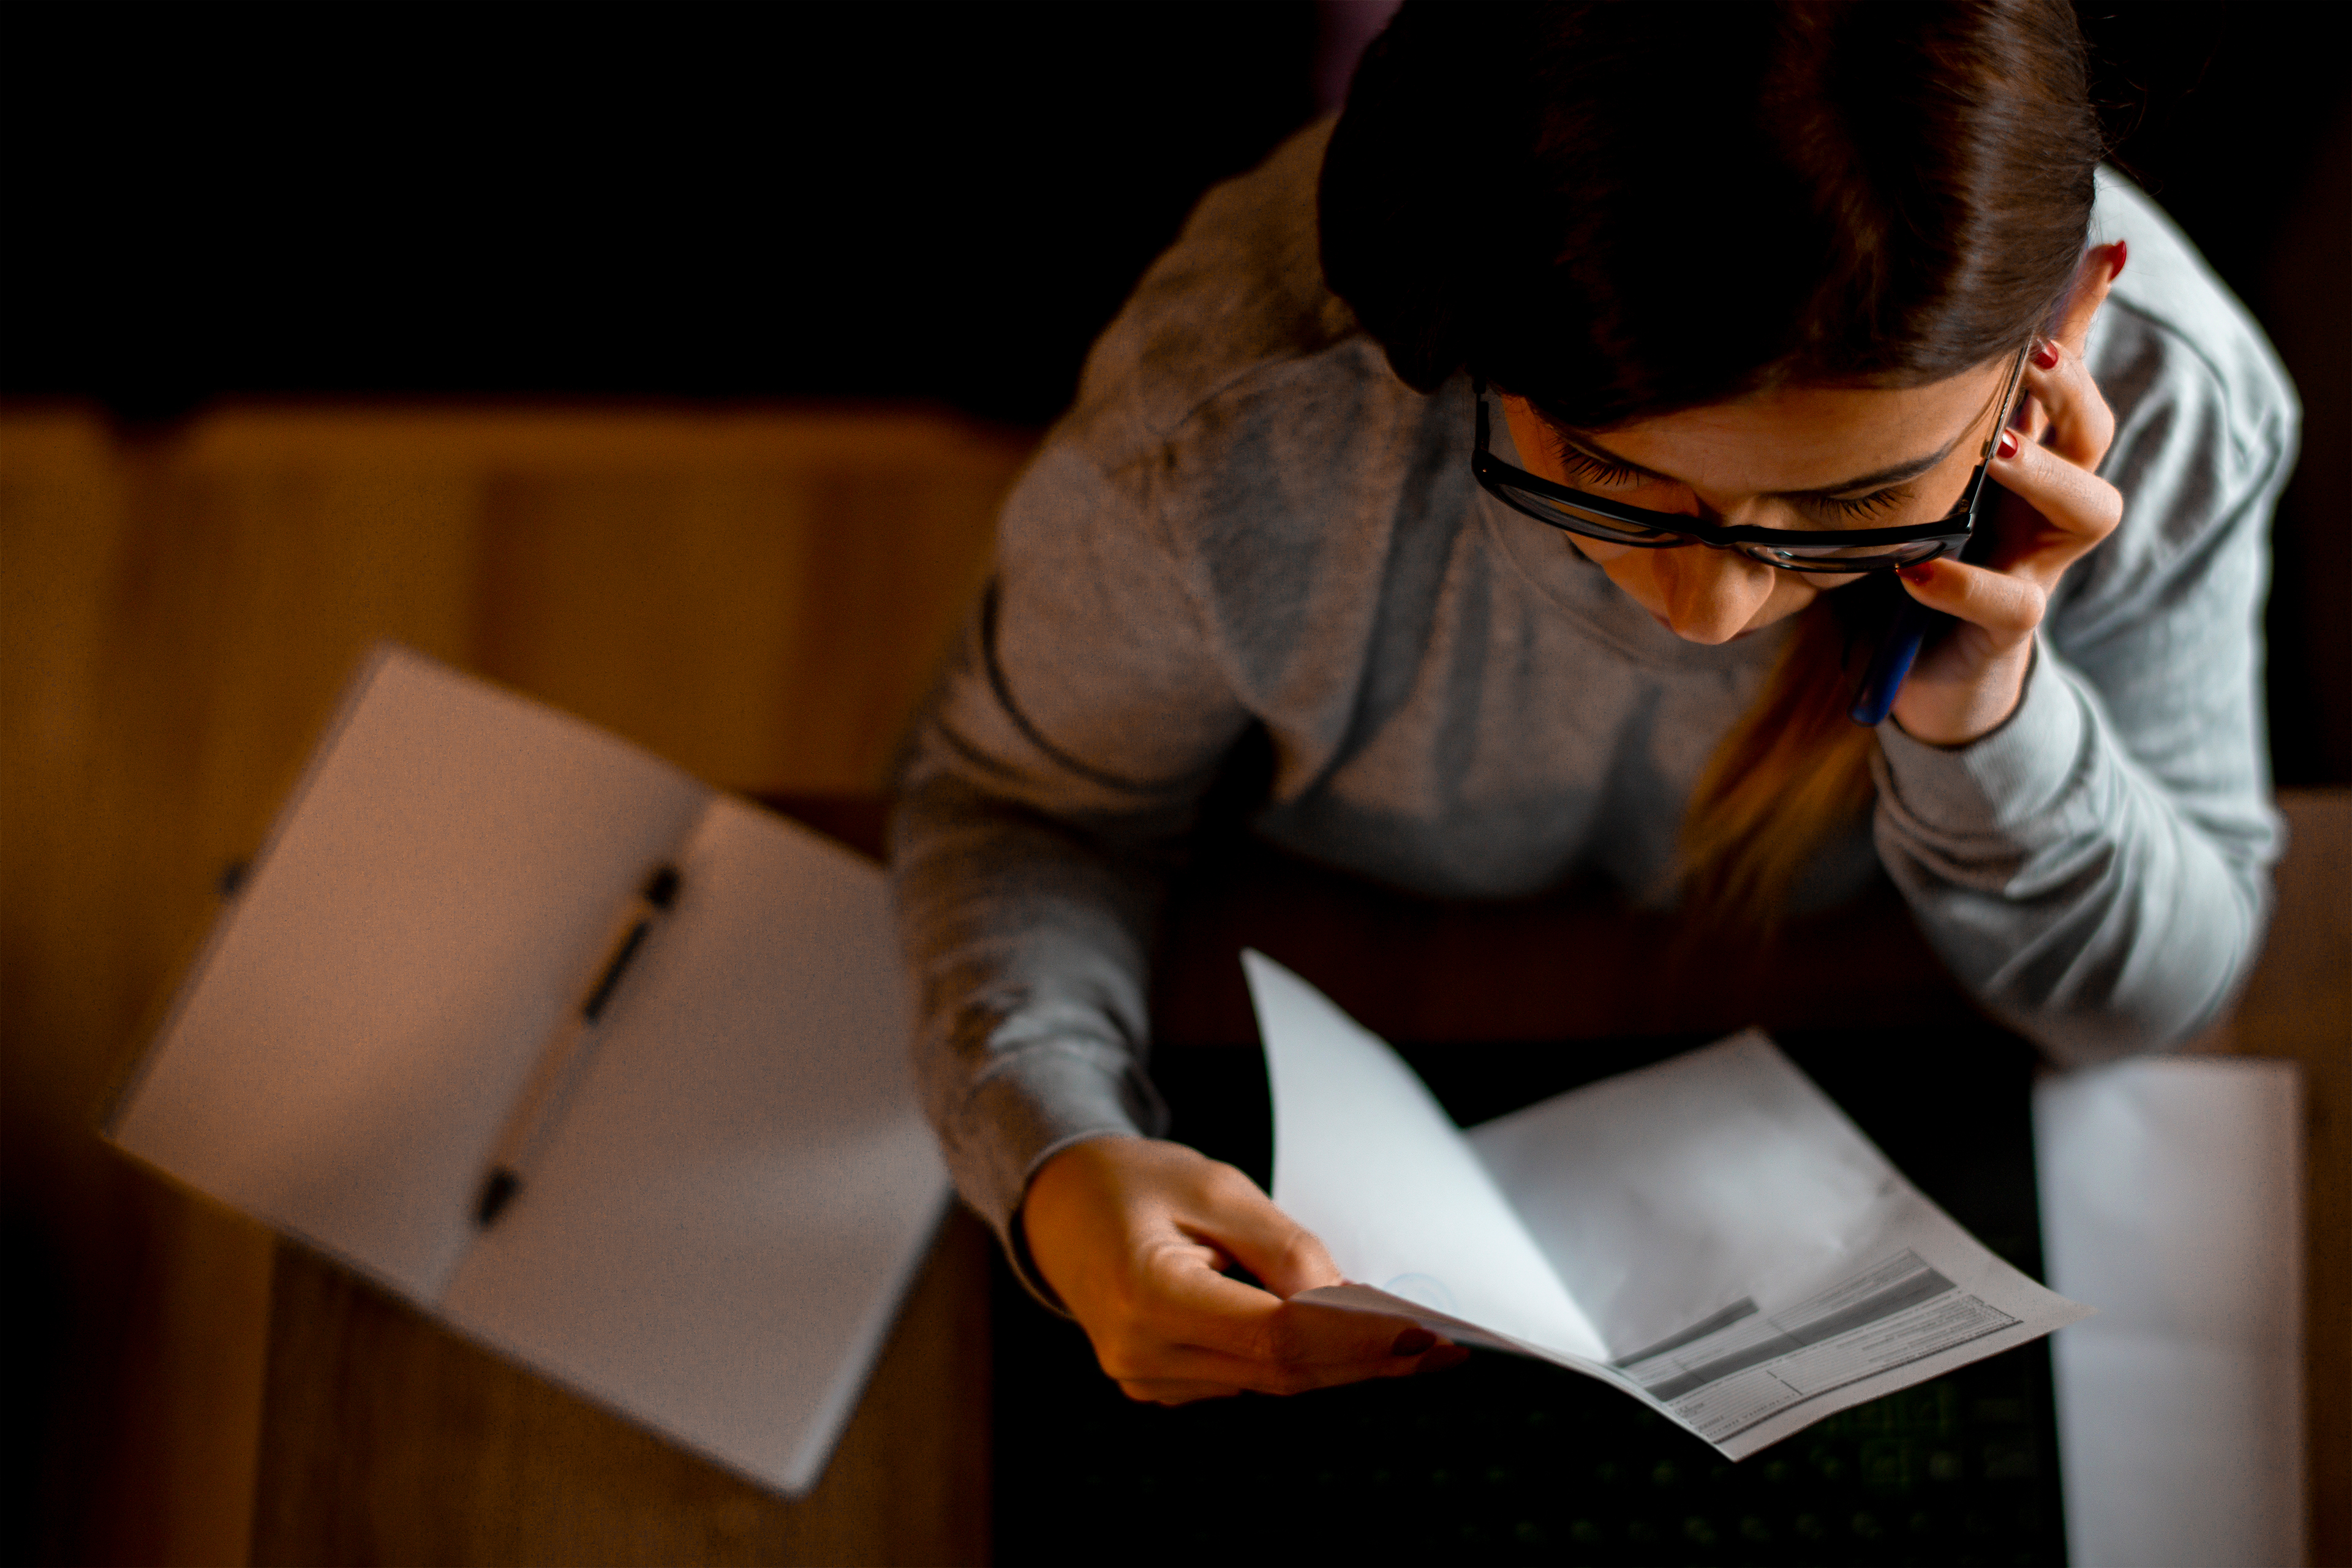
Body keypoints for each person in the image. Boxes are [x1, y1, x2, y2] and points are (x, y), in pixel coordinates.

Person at [889, 1, 2293, 1411]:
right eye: (1607, 475)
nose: (1713, 609)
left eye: (1856, 500)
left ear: (2066, 328)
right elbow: (1022, 801)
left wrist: (1986, 700)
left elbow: (2149, 1007)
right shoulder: (1243, 418)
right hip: (1324, 989)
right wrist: (1056, 1143)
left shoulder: (2175, 401)